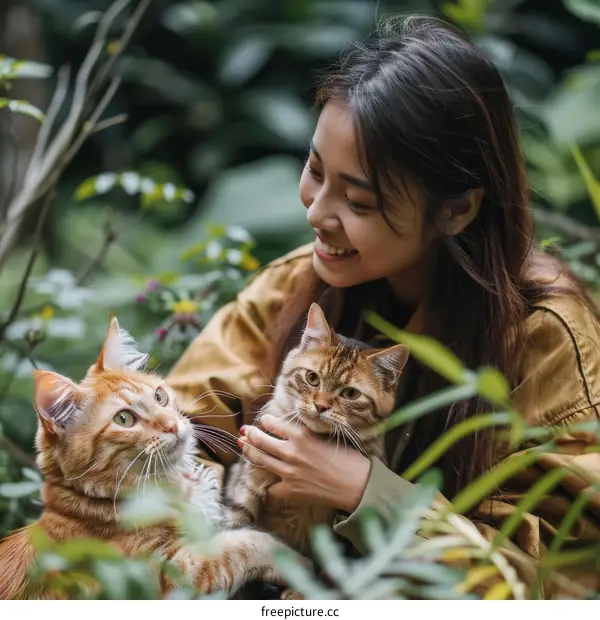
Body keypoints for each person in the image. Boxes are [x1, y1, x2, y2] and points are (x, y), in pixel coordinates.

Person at [166, 16, 600, 597]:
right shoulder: (298, 283)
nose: (317, 213)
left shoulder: (544, 338)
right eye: (315, 170)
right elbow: (177, 430)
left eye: (359, 200)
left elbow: (560, 585)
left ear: (458, 210)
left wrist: (370, 492)